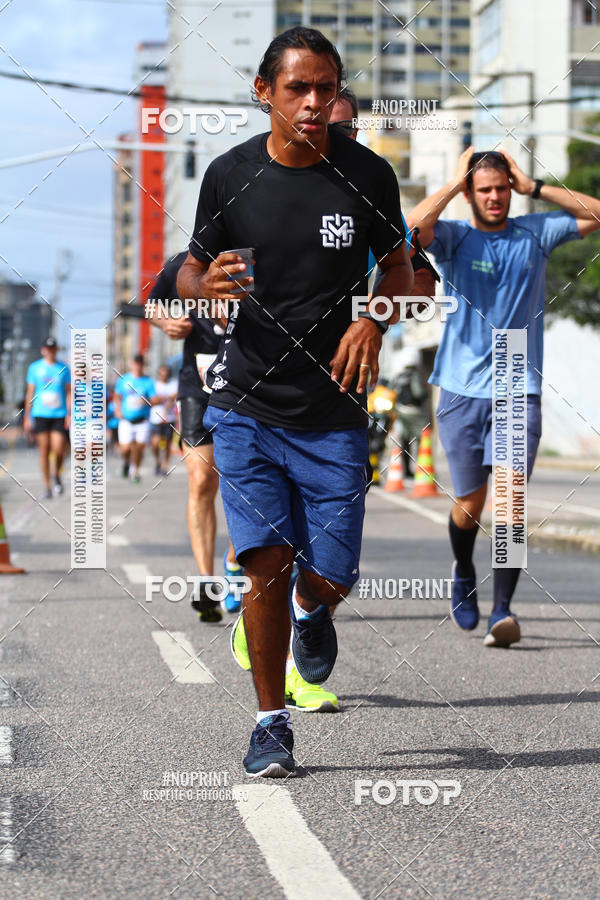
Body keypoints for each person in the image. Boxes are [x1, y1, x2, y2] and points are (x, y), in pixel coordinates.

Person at [177, 25, 413, 777]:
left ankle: (317, 612)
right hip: (244, 405)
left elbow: (404, 266)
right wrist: (201, 285)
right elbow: (188, 270)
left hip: (334, 410)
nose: (314, 103)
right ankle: (270, 722)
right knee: (267, 566)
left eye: (326, 88)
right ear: (263, 93)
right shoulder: (228, 176)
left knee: (330, 575)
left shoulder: (368, 176)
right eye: (297, 89)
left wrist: (375, 317)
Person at [407, 146, 600, 648]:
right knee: (470, 503)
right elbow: (409, 228)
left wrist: (534, 187)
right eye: (484, 189)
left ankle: (503, 610)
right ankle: (464, 570)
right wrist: (454, 180)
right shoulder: (453, 238)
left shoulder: (534, 233)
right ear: (471, 194)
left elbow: (597, 212)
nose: (494, 197)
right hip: (459, 387)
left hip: (518, 384)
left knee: (511, 503)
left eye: (501, 189)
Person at [148, 252, 243, 622]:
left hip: (249, 385)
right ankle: (207, 583)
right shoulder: (187, 261)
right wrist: (166, 323)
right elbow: (153, 303)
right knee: (202, 480)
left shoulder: (262, 249)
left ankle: (236, 560)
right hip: (197, 386)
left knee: (249, 486)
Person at [24, 337, 71, 500]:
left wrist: (70, 413)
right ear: (43, 350)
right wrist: (27, 417)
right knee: (44, 450)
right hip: (40, 414)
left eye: (53, 348)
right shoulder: (35, 368)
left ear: (56, 350)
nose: (51, 351)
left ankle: (56, 473)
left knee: (59, 449)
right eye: (48, 348)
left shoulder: (64, 368)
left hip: (59, 414)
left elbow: (68, 392)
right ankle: (47, 486)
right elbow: (30, 392)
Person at [113, 354, 157, 484]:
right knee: (125, 449)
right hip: (126, 420)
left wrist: (147, 401)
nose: (138, 366)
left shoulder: (148, 381)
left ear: (143, 365)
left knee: (139, 448)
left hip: (142, 420)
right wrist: (118, 410)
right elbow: (117, 396)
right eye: (136, 363)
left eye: (140, 363)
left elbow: (155, 398)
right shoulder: (124, 379)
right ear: (132, 364)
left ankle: (135, 471)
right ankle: (126, 462)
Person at [149, 364, 178, 476]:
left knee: (167, 443)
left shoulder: (173, 384)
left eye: (166, 373)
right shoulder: (154, 385)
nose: (164, 375)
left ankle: (165, 464)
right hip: (156, 418)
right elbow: (152, 400)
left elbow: (175, 397)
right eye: (162, 373)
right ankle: (157, 461)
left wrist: (164, 400)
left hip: (169, 418)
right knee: (155, 443)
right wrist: (166, 398)